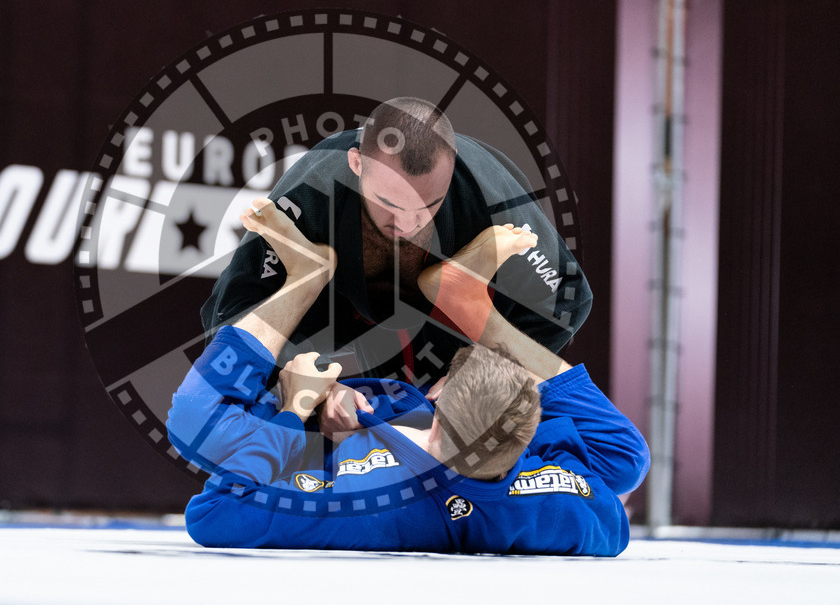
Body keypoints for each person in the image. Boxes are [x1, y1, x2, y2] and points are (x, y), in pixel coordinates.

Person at [169, 198, 649, 555]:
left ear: (439, 407)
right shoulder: (559, 508)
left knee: (195, 420)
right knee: (628, 461)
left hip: (322, 437)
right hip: (427, 435)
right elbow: (619, 466)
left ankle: (305, 277)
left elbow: (215, 514)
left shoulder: (369, 507)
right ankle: (470, 306)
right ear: (529, 437)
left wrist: (294, 409)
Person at [201, 97, 592, 439]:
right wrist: (314, 391)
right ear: (356, 164)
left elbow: (568, 299)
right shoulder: (313, 193)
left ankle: (462, 302)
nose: (406, 225)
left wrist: (489, 368)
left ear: (452, 172)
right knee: (238, 384)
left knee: (462, 419)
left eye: (428, 206)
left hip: (458, 315)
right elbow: (232, 316)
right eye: (389, 202)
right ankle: (311, 276)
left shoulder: (489, 194)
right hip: (346, 300)